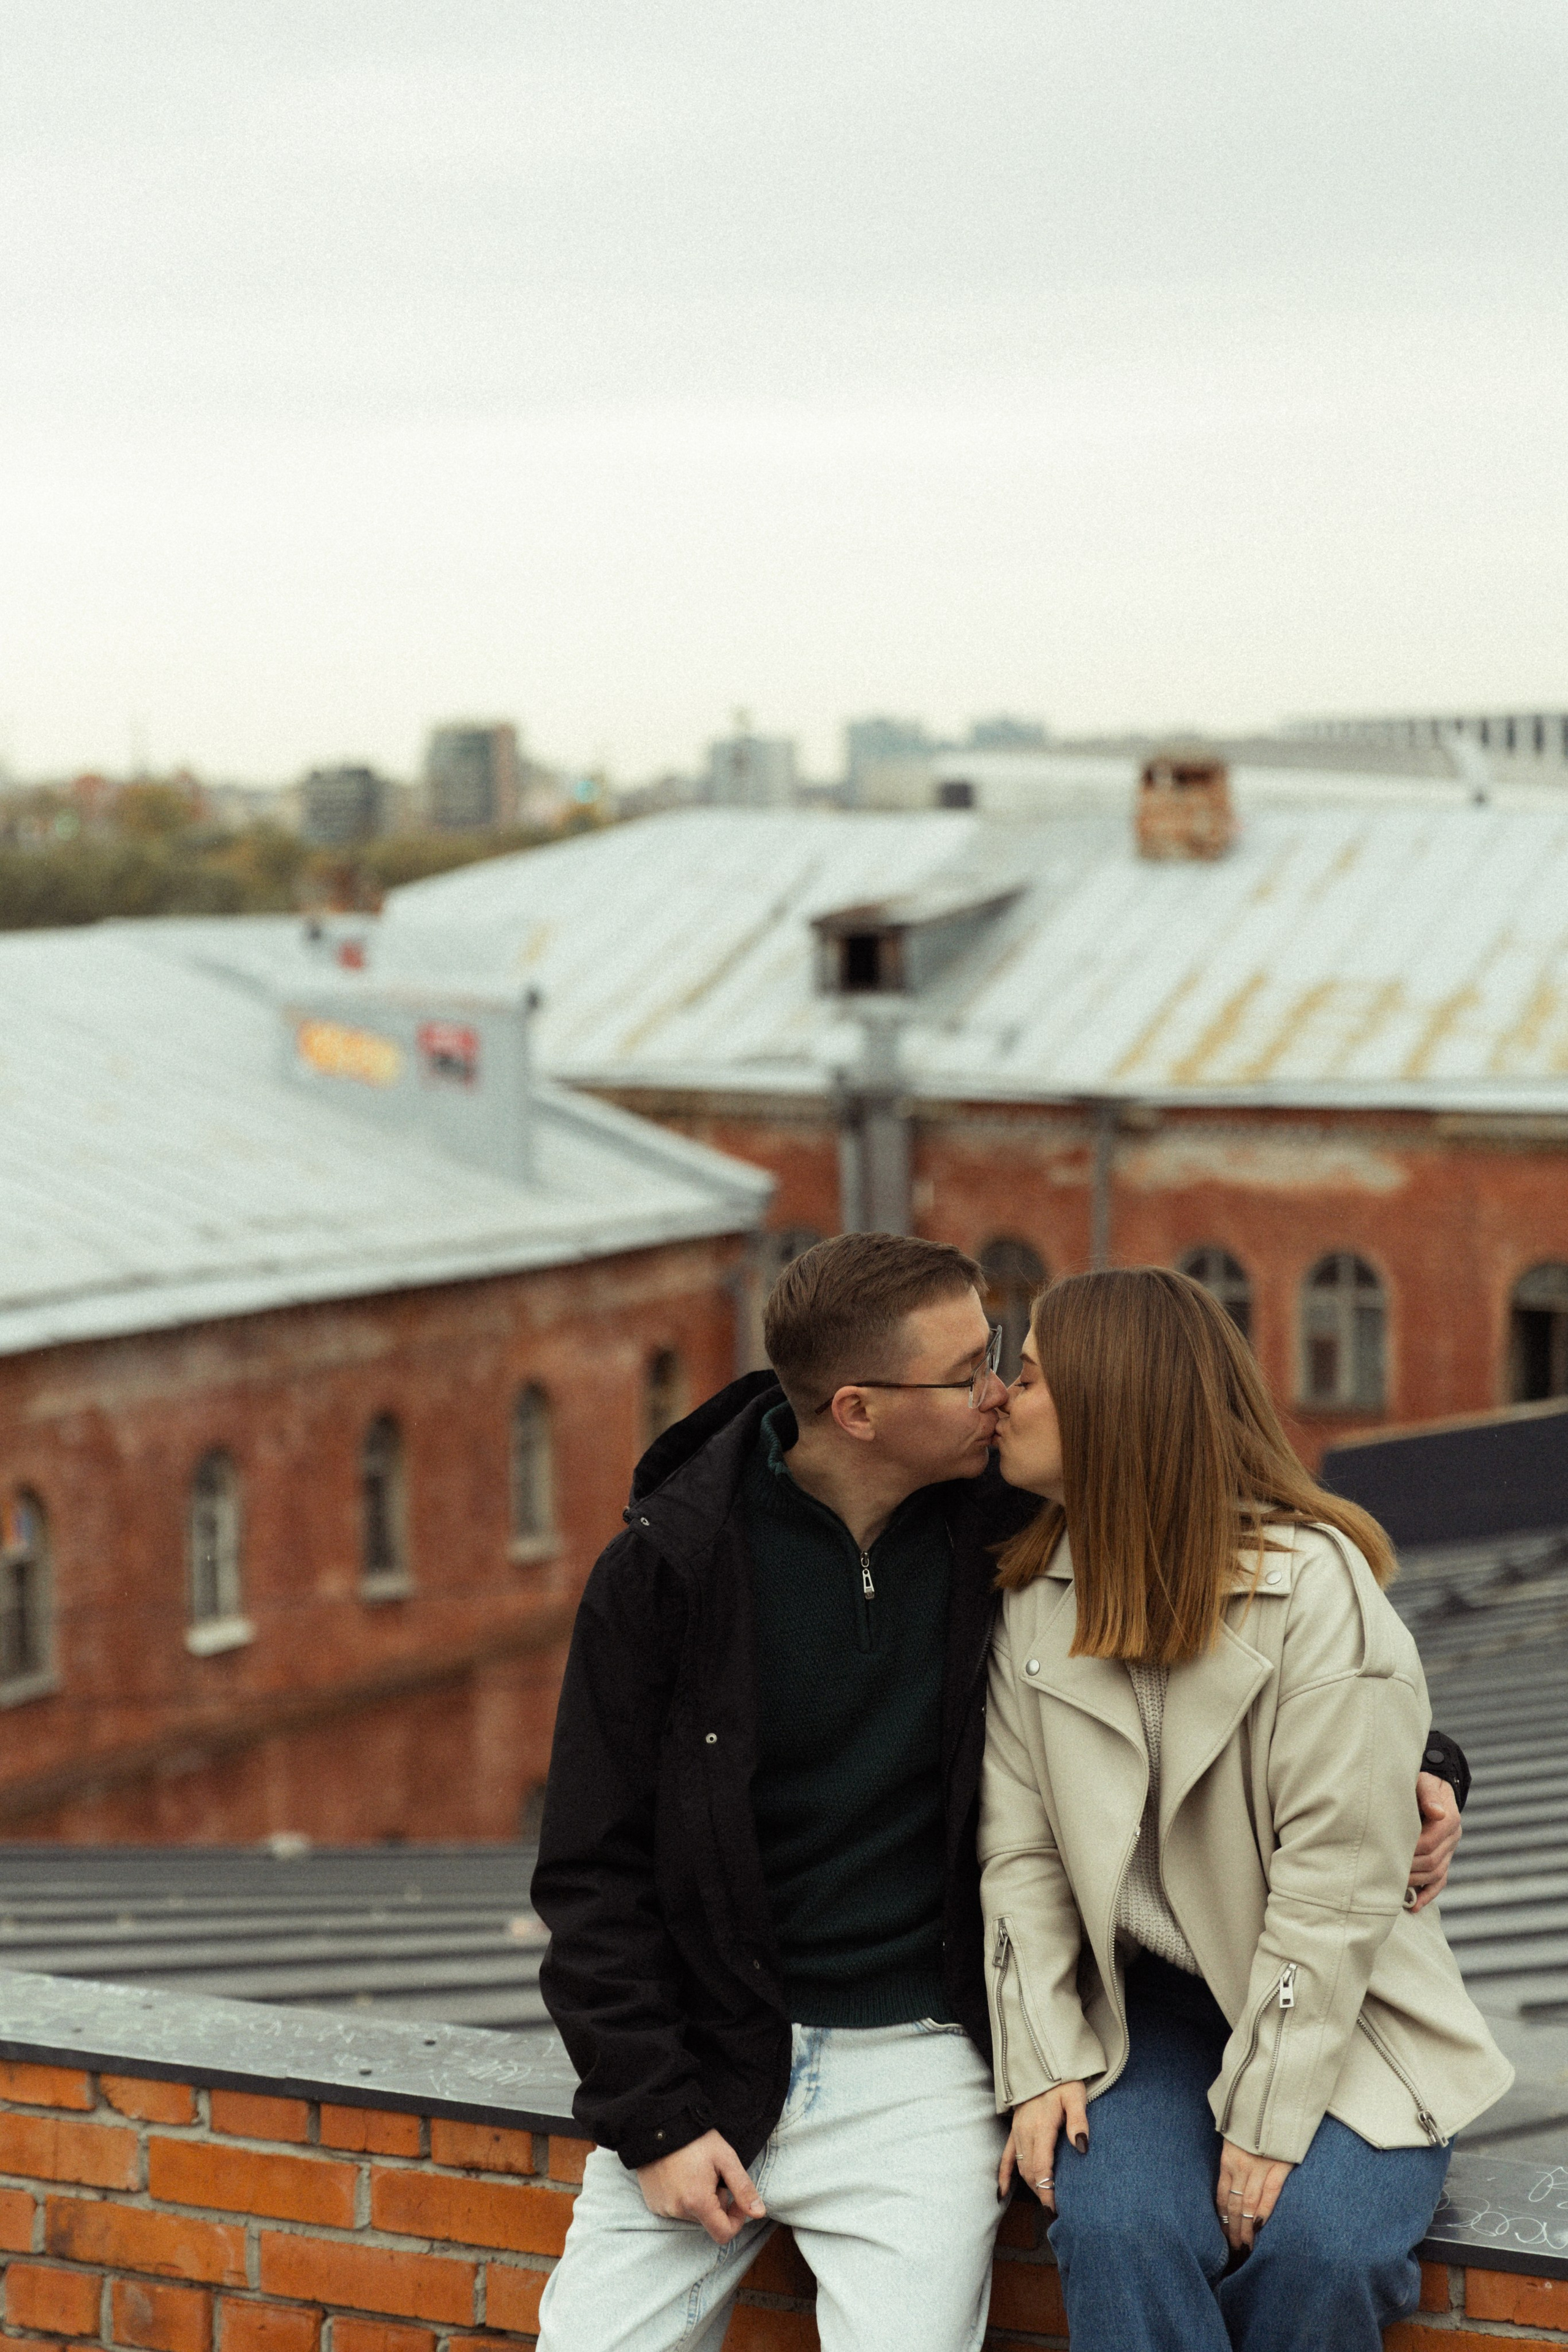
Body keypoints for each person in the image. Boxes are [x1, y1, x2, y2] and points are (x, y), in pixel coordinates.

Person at [530, 1234, 1469, 2352]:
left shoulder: (1004, 1527)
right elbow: (594, 1874)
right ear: (860, 1410)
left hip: (960, 2052)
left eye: (1012, 1367)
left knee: (1289, 2247)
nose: (996, 1393)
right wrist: (656, 2117)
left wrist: (1423, 1767)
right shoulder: (685, 1571)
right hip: (744, 2050)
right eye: (976, 1370)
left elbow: (1265, 1667)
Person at [981, 1266, 1512, 2352]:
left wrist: (1268, 2124)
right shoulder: (1033, 1601)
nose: (1000, 1397)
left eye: (1026, 1376)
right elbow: (1020, 1855)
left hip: (1343, 2006)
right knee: (1119, 2224)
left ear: (1108, 1405)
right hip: (1148, 2012)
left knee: (1326, 2250)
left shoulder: (1320, 1596)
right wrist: (1039, 2059)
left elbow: (1335, 1889)